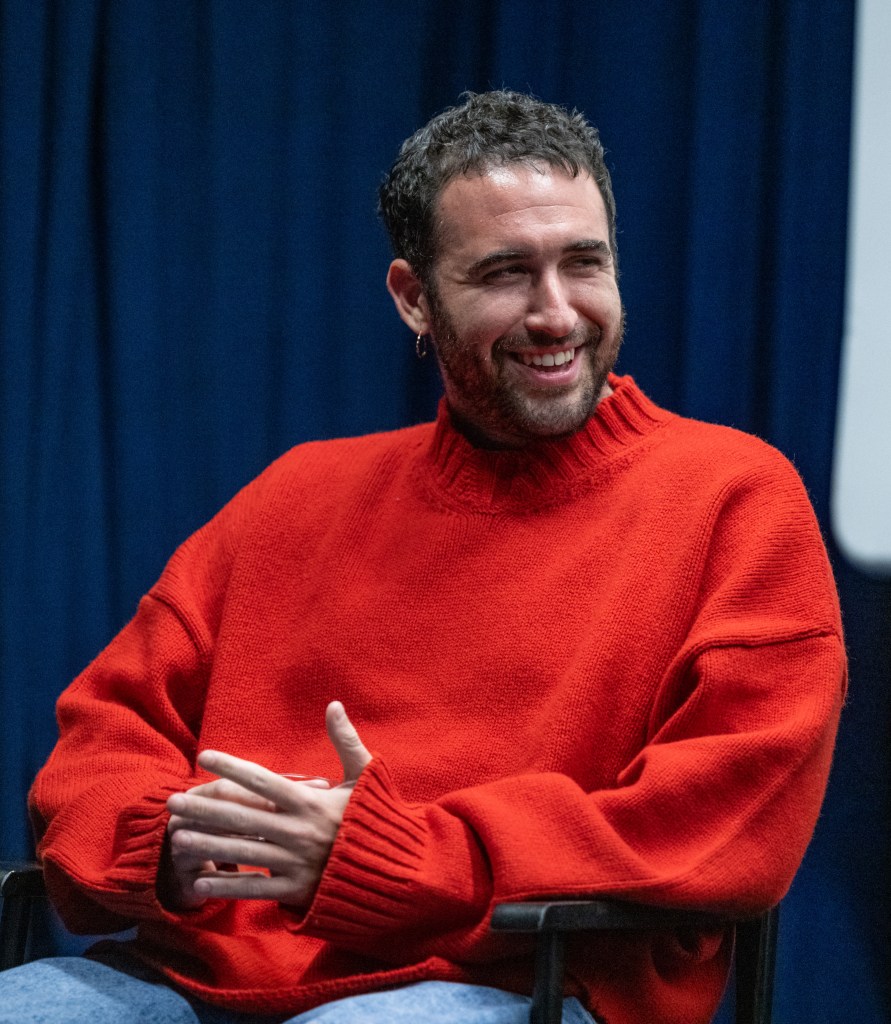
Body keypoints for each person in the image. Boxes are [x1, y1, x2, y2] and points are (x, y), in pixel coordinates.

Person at [2, 91, 845, 1024]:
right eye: (505, 274)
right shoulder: (296, 493)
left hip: (519, 980)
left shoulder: (733, 496)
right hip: (199, 971)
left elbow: (724, 823)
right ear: (413, 297)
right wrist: (159, 843)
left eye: (584, 263)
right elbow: (100, 738)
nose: (556, 313)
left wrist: (391, 855)